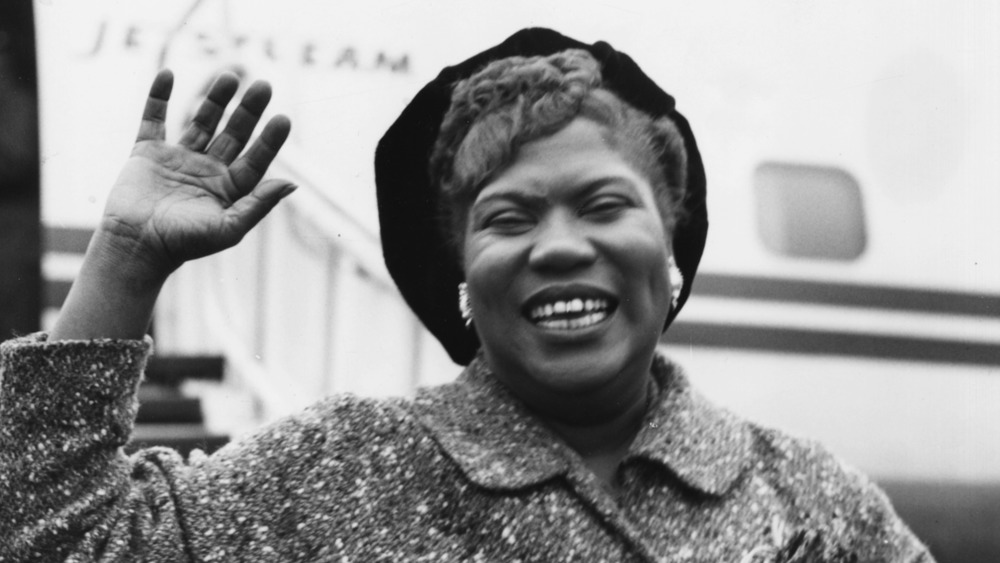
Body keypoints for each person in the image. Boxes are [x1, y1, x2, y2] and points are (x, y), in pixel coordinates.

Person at [0, 28, 933, 562]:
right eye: (509, 217)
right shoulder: (341, 468)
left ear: (672, 249)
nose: (561, 246)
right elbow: (61, 541)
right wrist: (124, 258)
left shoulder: (812, 501)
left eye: (604, 203)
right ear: (462, 277)